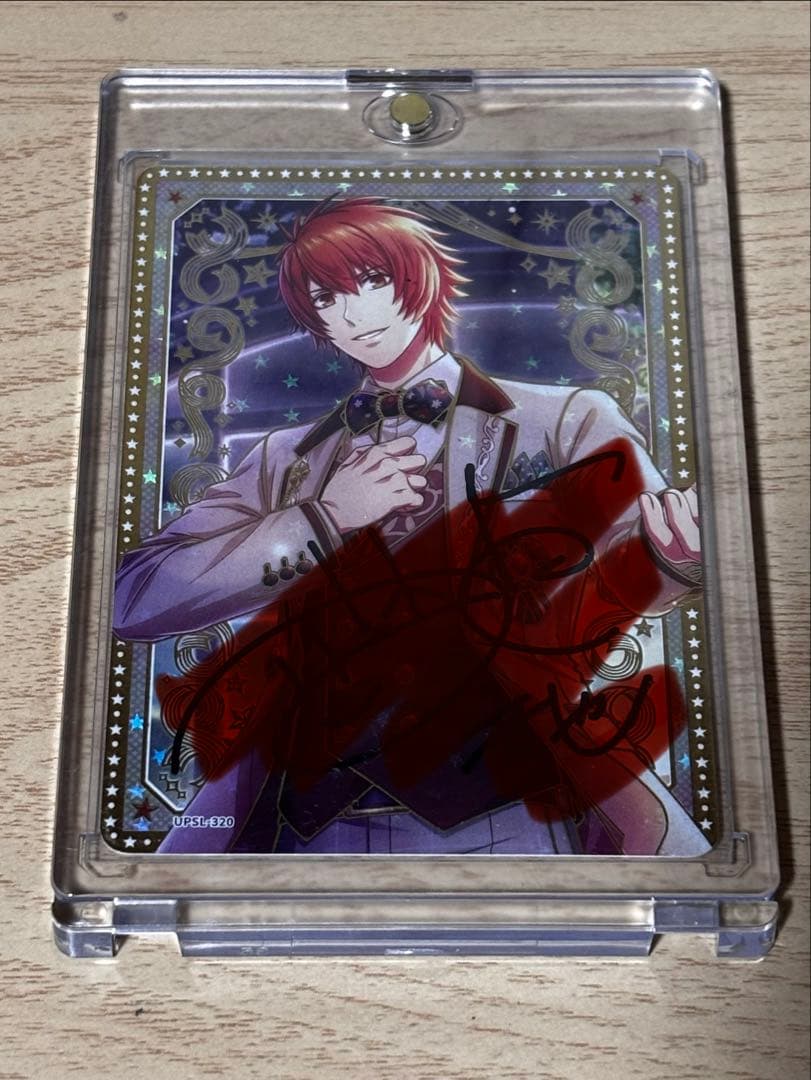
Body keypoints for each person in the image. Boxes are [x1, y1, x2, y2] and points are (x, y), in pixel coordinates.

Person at [114, 197, 706, 857]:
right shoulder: (287, 457)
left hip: (505, 798)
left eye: (371, 281)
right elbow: (134, 595)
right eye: (326, 298)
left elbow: (641, 559)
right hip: (310, 813)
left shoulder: (563, 418)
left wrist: (676, 560)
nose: (352, 314)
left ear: (418, 278)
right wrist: (326, 516)